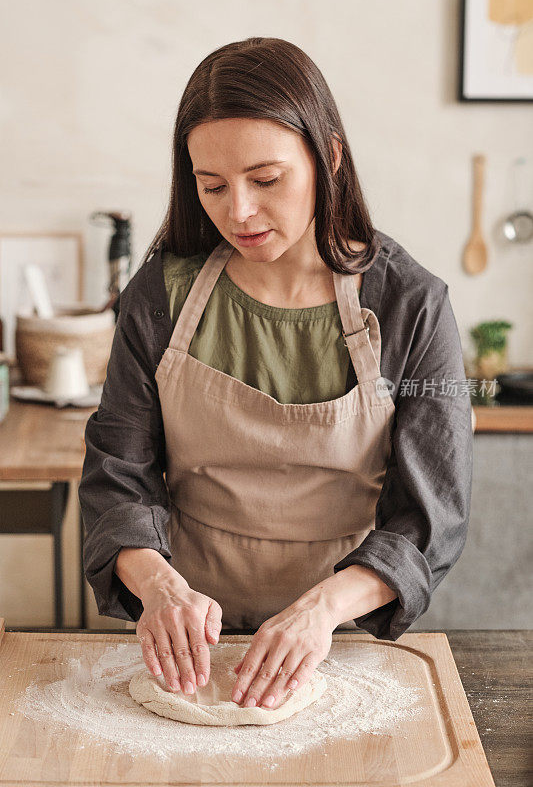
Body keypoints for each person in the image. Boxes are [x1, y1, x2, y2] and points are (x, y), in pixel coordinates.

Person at [79, 37, 473, 713]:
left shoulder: (412, 304)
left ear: (329, 157)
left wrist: (320, 610)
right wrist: (160, 589)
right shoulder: (159, 295)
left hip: (345, 640)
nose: (238, 212)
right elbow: (117, 473)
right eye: (212, 186)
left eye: (266, 180)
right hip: (178, 641)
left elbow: (429, 515)